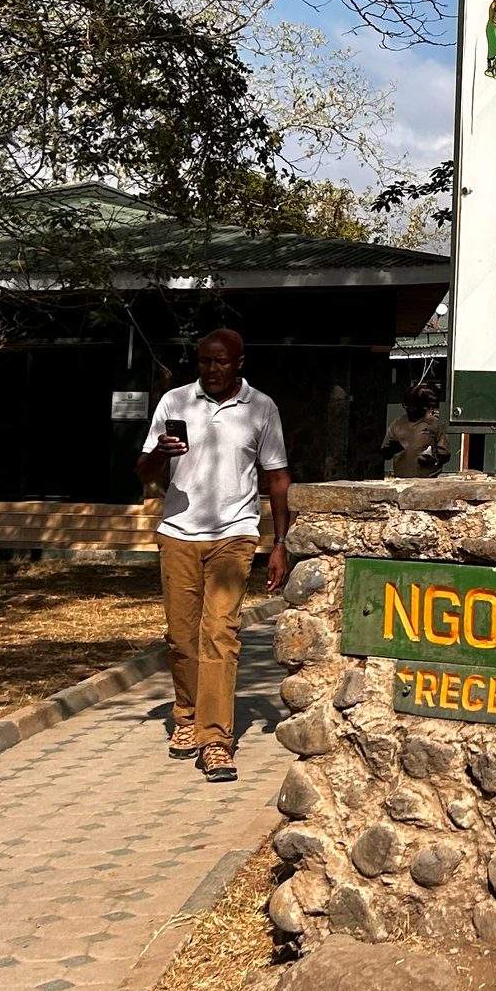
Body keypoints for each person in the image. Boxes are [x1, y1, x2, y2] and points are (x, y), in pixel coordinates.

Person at [138, 328, 290, 782]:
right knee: (181, 637)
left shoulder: (261, 408)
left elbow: (277, 478)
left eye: (221, 361)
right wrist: (159, 455)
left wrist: (279, 543)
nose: (212, 369)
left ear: (239, 362)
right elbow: (144, 470)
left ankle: (216, 739)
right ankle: (186, 717)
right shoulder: (174, 402)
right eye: (204, 361)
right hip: (179, 533)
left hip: (235, 534)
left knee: (220, 634)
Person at [381, 383, 451, 478]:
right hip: (402, 479)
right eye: (406, 406)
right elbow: (385, 454)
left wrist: (434, 461)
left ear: (424, 407)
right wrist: (391, 449)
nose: (409, 409)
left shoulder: (434, 424)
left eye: (413, 406)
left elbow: (445, 455)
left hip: (427, 480)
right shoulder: (397, 424)